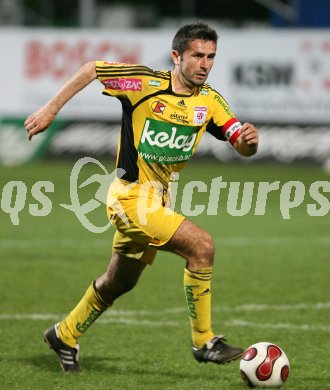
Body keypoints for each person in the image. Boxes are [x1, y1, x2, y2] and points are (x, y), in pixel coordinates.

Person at [25, 22, 259, 373]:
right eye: (197, 55)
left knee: (119, 282)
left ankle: (65, 334)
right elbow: (93, 69)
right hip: (129, 198)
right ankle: (204, 341)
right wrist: (50, 109)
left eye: (211, 57)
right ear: (176, 56)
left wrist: (249, 144)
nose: (205, 64)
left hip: (157, 203)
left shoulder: (209, 101)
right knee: (202, 246)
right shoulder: (144, 84)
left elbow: (239, 141)